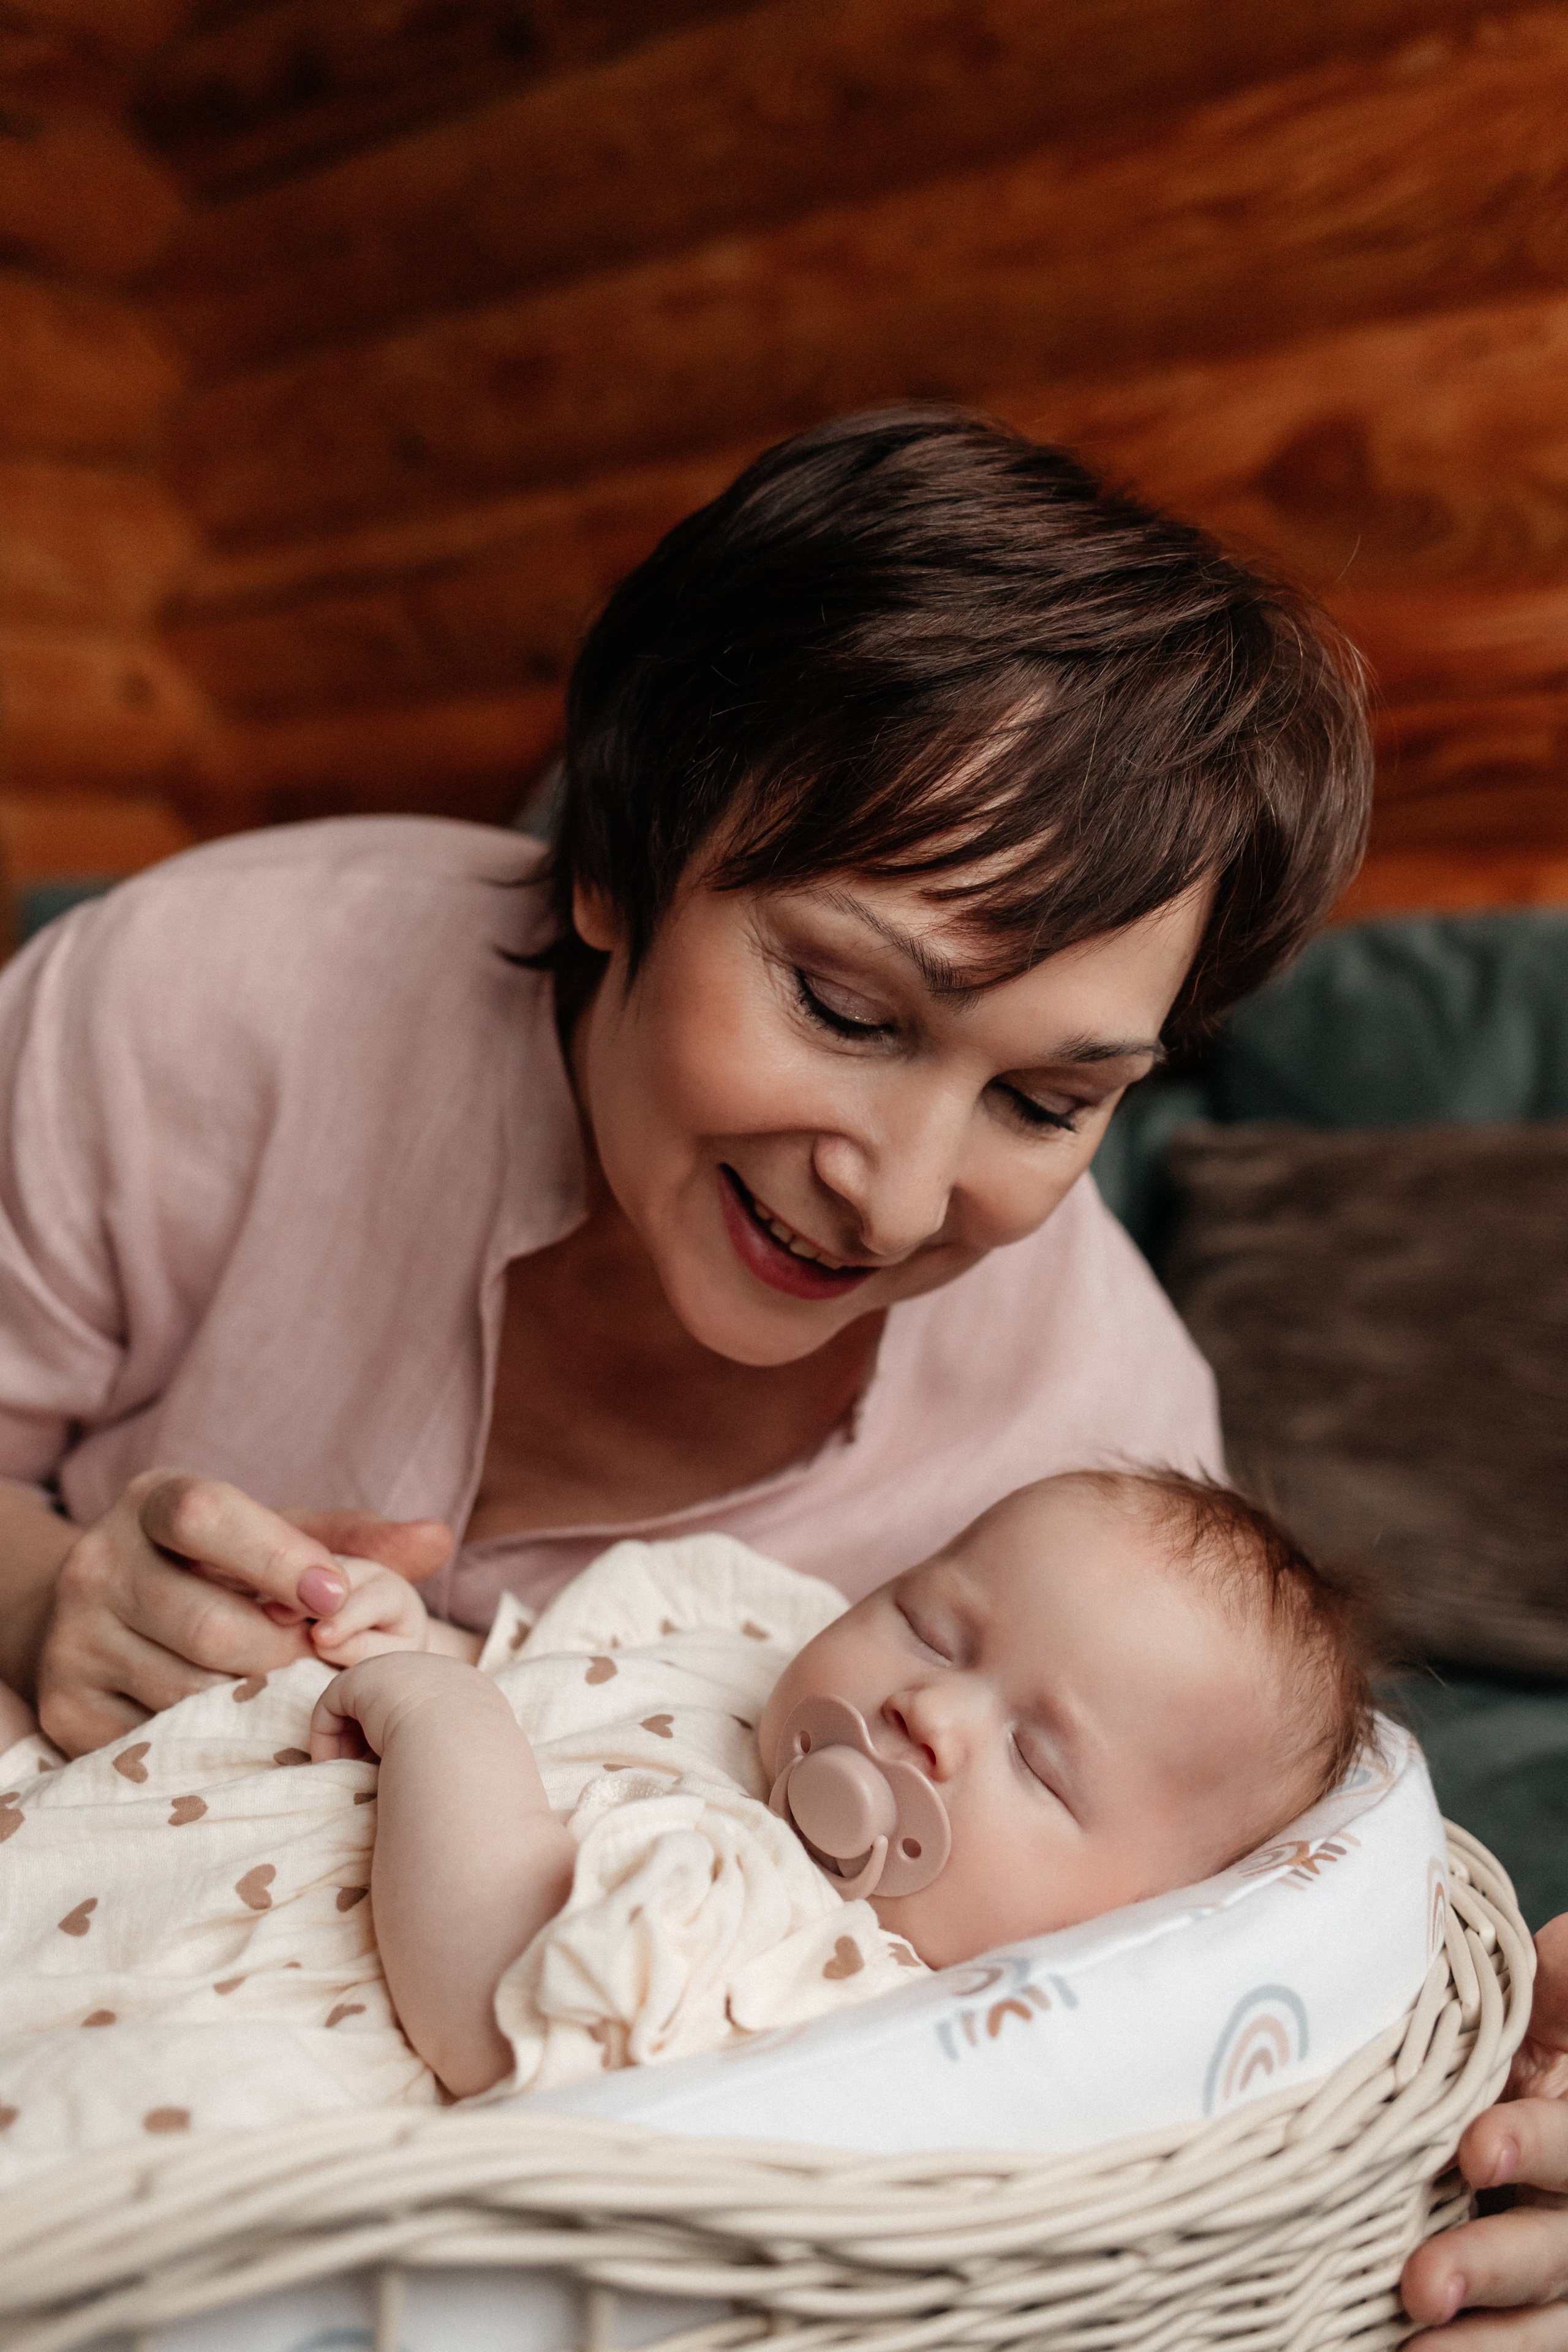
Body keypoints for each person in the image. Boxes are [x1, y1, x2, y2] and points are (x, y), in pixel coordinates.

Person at [0, 407, 1556, 2333]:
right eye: (845, 1005)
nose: (898, 1197)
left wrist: (1483, 2113)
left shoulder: (1094, 1441)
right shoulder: (201, 1004)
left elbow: (1221, 1945)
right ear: (615, 865)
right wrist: (39, 1582)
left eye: (1052, 1096)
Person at [0, 1468, 1373, 2155]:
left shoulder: (815, 1962)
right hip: (126, 1820)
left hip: (218, 2029)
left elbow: (494, 1996)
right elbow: (539, 1695)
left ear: (1127, 1926)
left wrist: (443, 1721)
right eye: (932, 1626)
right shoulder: (743, 1661)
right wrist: (396, 1646)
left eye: (1040, 1764)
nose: (930, 1713)